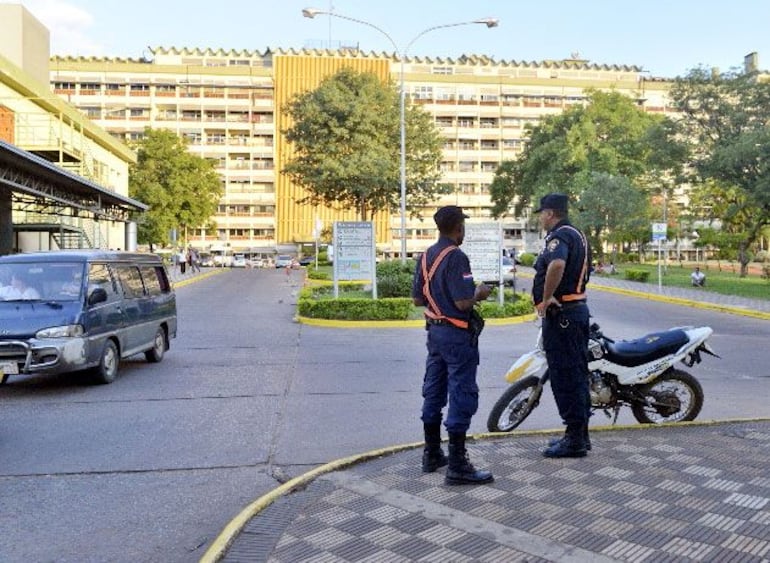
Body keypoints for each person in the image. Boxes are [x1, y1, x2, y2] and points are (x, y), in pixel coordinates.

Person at [412, 205, 494, 485]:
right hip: (458, 337)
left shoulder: (424, 257)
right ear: (458, 227)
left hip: (434, 335)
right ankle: (458, 464)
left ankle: (432, 453)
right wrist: (479, 293)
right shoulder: (457, 257)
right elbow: (462, 302)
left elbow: (417, 300)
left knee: (433, 390)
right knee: (462, 391)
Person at [532, 193, 592, 458]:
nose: (541, 219)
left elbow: (557, 264)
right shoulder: (574, 233)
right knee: (575, 374)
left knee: (566, 376)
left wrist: (545, 299)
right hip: (572, 313)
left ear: (549, 213)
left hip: (564, 314)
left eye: (541, 214)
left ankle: (575, 439)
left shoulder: (561, 235)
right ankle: (579, 434)